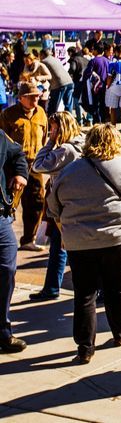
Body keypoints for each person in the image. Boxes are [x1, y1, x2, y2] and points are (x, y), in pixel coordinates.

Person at [48, 124, 121, 364]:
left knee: (84, 293)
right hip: (116, 238)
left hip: (79, 241)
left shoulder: (68, 172)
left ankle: (85, 346)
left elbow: (53, 206)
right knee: (116, 286)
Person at [29, 111, 84, 301]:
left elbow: (38, 165)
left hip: (65, 205)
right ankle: (52, 287)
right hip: (75, 202)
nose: (50, 131)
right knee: (59, 245)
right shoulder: (82, 143)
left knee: (65, 246)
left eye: (53, 128)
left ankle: (54, 287)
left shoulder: (66, 150)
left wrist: (50, 142)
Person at [1, 82, 48, 249]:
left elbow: (44, 138)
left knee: (37, 201)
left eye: (37, 96)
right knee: (10, 202)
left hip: (35, 164)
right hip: (12, 166)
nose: (35, 99)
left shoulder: (41, 113)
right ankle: (5, 238)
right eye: (31, 97)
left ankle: (29, 239)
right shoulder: (8, 114)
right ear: (21, 98)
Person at [0, 129, 28, 352]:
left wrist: (21, 174)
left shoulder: (0, 136)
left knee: (7, 270)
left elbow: (18, 154)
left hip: (0, 216)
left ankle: (3, 332)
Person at [41, 49, 73, 116]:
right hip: (69, 81)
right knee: (68, 104)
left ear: (42, 55)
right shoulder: (56, 59)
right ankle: (69, 120)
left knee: (53, 105)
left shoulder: (43, 62)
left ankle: (51, 121)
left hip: (59, 84)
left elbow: (43, 76)